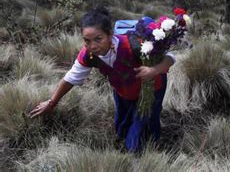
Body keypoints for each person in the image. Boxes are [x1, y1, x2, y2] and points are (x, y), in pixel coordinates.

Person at [29, 8, 175, 152]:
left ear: (110, 35)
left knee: (139, 138)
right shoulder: (88, 56)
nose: (92, 46)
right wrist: (51, 103)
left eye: (98, 39)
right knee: (121, 128)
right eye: (87, 40)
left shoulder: (134, 44)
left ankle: (149, 151)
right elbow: (70, 78)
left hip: (150, 91)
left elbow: (170, 58)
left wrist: (153, 70)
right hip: (123, 92)